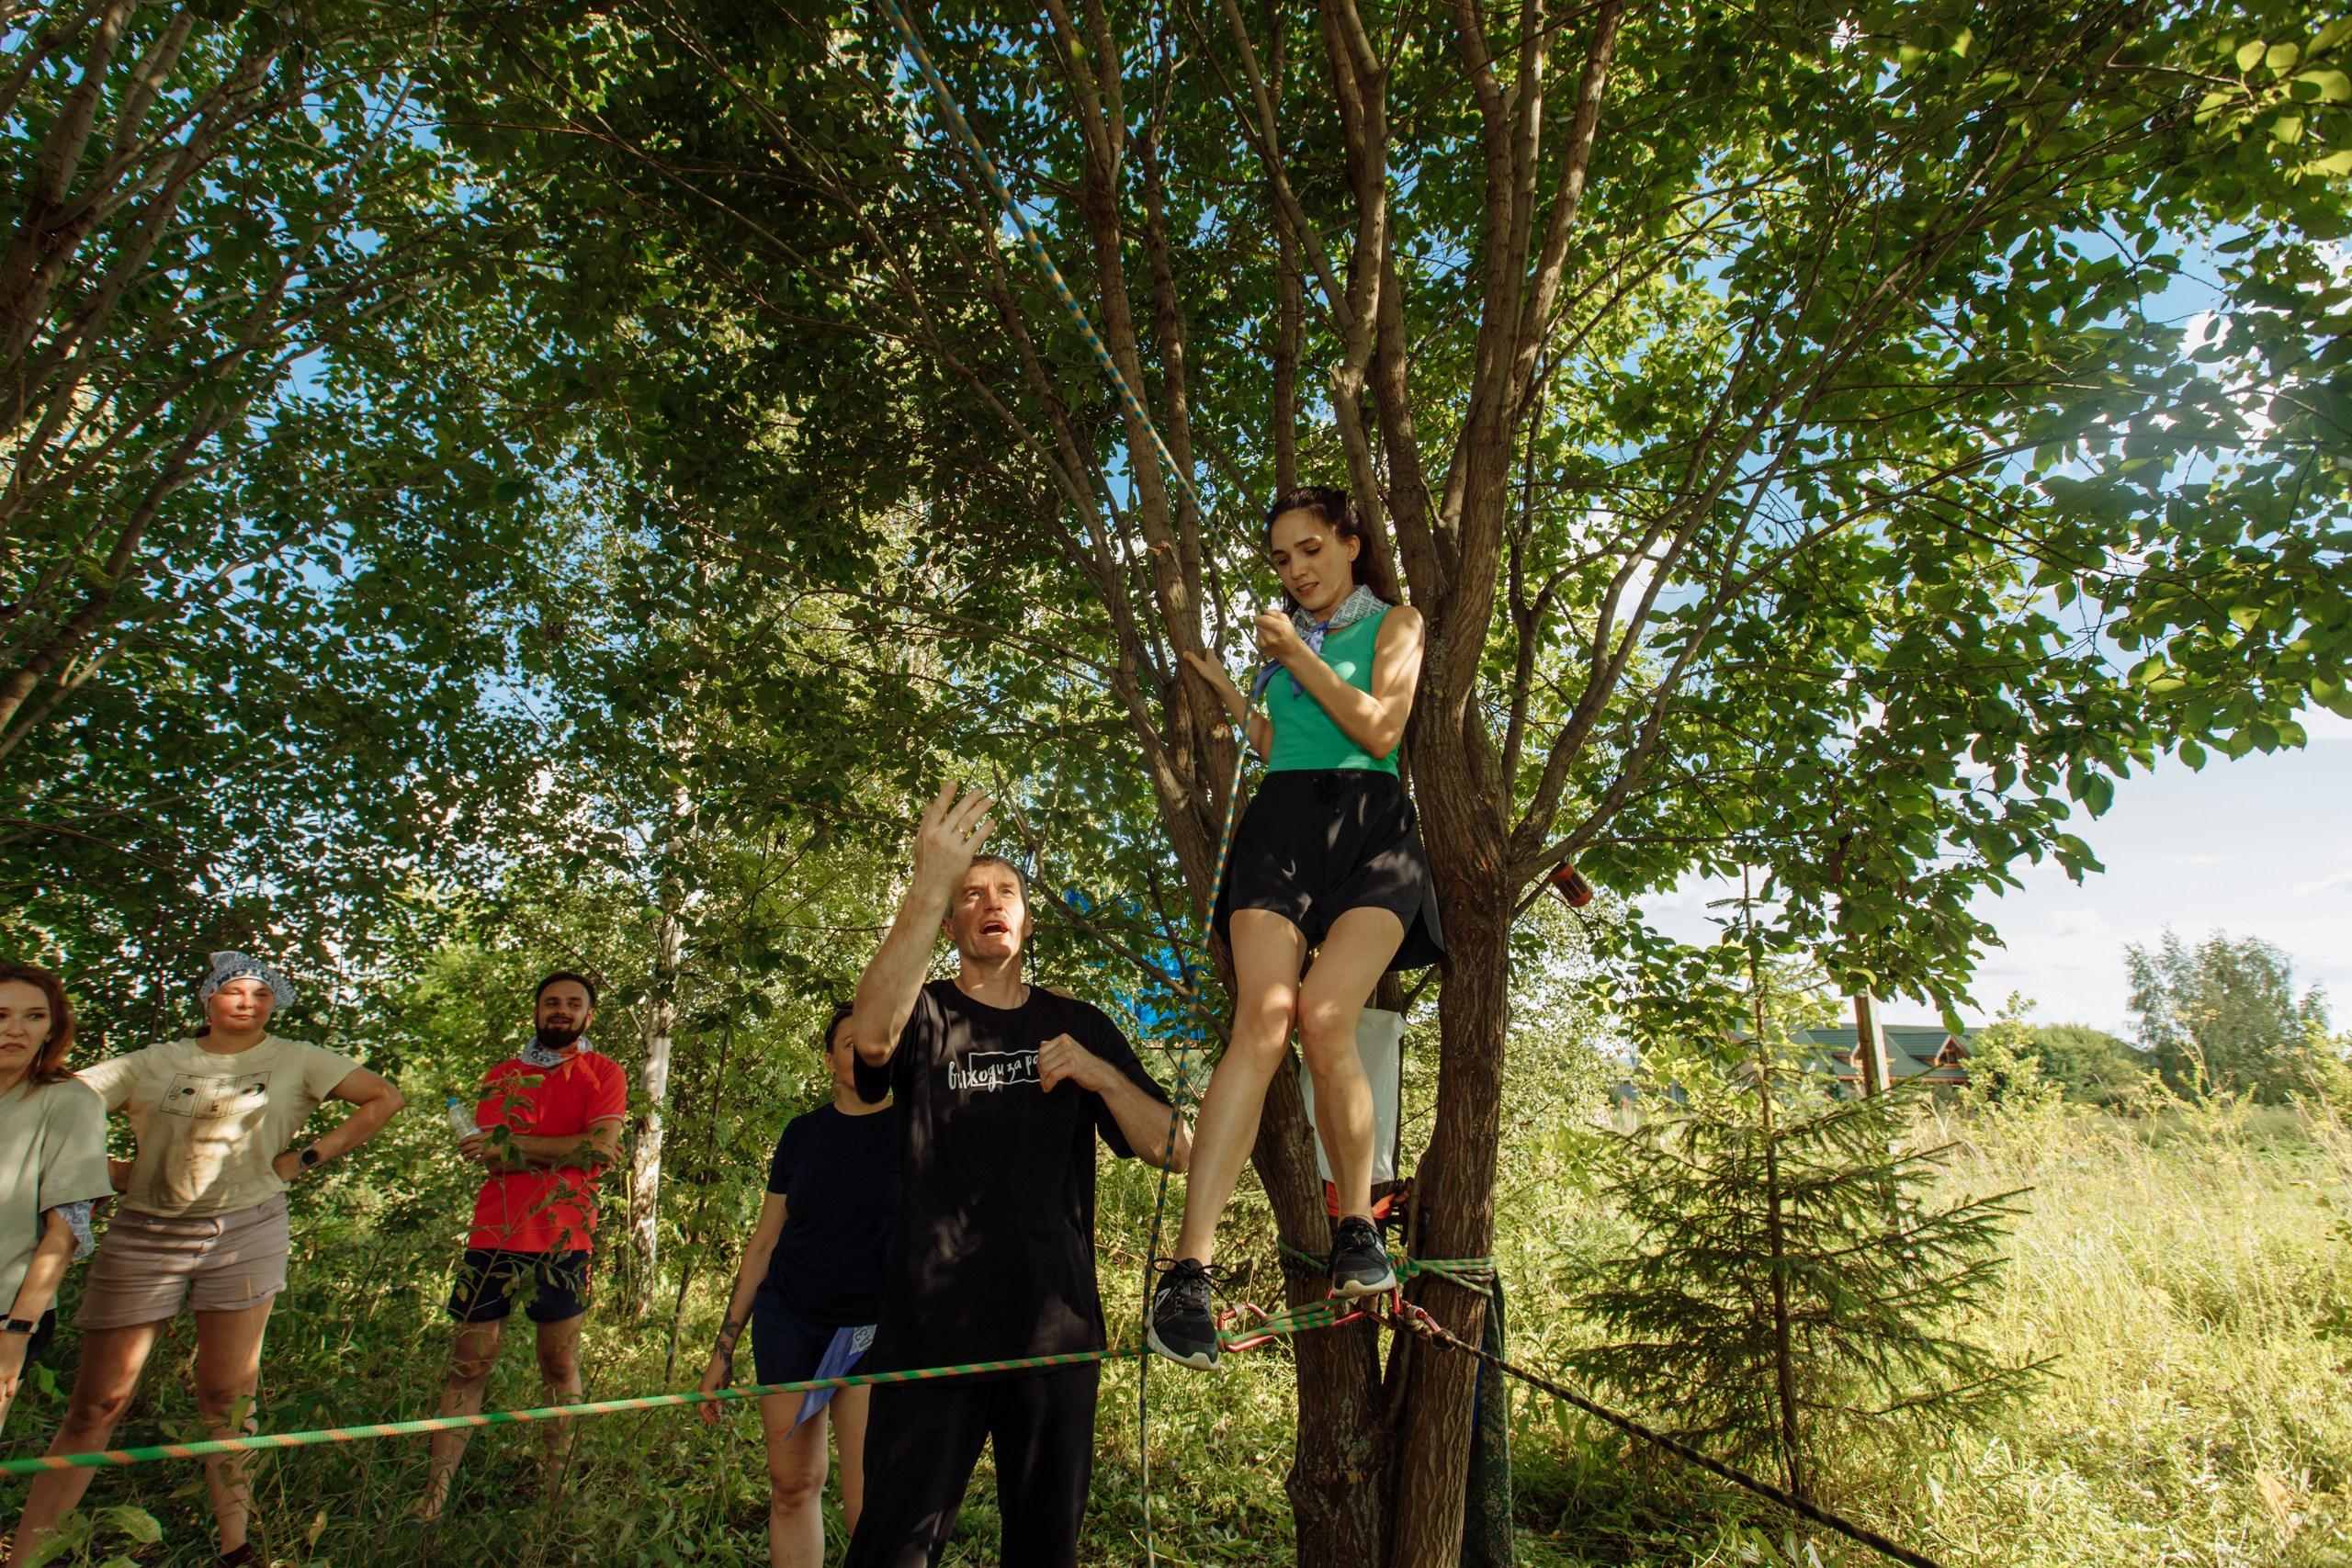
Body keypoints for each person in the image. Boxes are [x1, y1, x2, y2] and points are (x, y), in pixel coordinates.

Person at [842, 784, 1190, 1568]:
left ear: (1027, 918)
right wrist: (928, 885)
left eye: (1006, 891)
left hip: (1052, 1335)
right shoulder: (924, 1013)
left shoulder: (1078, 1022)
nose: (989, 902)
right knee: (891, 1548)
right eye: (970, 894)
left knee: (1045, 1553)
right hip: (930, 1337)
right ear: (953, 921)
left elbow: (1178, 1146)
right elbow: (869, 1038)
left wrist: (1101, 1073)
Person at [1150, 484, 1442, 1370]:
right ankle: (1186, 1275)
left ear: (1352, 542)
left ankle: (1358, 1225)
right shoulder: (1291, 646)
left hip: (1373, 832)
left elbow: (1379, 728)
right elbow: (1287, 746)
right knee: (1264, 1021)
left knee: (1326, 1016)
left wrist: (1295, 655)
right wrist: (1231, 694)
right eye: (1282, 559)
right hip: (1282, 824)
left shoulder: (1396, 624)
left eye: (1310, 549)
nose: (1296, 570)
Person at [9, 952, 405, 1568]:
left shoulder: (298, 1056)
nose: (247, 1001)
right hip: (144, 1232)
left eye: (261, 993)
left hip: (247, 1228)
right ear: (207, 997)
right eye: (233, 990)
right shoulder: (155, 1062)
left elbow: (383, 1096)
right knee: (98, 1403)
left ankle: (236, 1547)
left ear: (275, 1002)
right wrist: (99, 1171)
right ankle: (29, 1554)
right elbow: (63, 1099)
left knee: (227, 1395)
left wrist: (307, 1157)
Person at [415, 970, 626, 1519]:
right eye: (551, 1002)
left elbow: (601, 1149)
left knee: (559, 1367)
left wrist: (521, 1147)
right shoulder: (503, 1076)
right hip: (494, 1235)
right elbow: (491, 1156)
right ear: (536, 1012)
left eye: (573, 1004)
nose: (561, 1010)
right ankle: (433, 1498)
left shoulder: (603, 1071)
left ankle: (556, 1499)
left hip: (564, 1236)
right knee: (469, 1363)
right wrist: (567, 1148)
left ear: (587, 1015)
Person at [697, 1003, 897, 1568]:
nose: (863, 1052)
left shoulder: (914, 1128)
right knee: (792, 1486)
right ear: (829, 1057)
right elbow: (764, 1243)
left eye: (875, 1041)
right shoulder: (802, 1134)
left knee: (868, 1509)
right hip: (790, 1318)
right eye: (848, 1043)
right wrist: (723, 1349)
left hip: (870, 1331)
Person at [0, 964, 112, 1438]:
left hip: (7, 1311)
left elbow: (63, 1235)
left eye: (34, 1016)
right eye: (1, 1014)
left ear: (52, 1028)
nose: (15, 1029)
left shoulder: (69, 1102)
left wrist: (15, 1336)